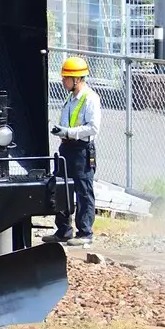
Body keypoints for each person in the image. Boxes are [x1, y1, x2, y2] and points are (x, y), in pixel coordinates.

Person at [50, 56, 98, 246]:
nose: (62, 81)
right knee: (61, 188)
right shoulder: (70, 98)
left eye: (65, 78)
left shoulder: (90, 99)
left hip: (82, 150)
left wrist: (69, 132)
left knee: (83, 190)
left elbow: (93, 128)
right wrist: (61, 131)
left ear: (76, 79)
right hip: (66, 148)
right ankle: (63, 231)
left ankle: (85, 233)